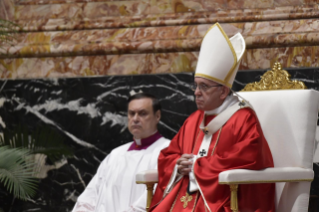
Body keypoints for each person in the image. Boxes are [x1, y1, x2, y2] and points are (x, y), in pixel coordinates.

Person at [149, 23, 275, 212]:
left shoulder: (243, 119)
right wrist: (178, 164)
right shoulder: (194, 119)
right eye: (196, 86)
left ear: (223, 91)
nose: (197, 93)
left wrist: (198, 166)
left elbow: (249, 158)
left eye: (204, 87)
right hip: (184, 197)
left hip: (222, 200)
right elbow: (168, 154)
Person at [72, 93, 170, 212]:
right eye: (131, 113)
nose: (135, 119)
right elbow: (90, 196)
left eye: (142, 113)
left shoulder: (168, 151)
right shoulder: (115, 154)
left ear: (157, 116)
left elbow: (153, 200)